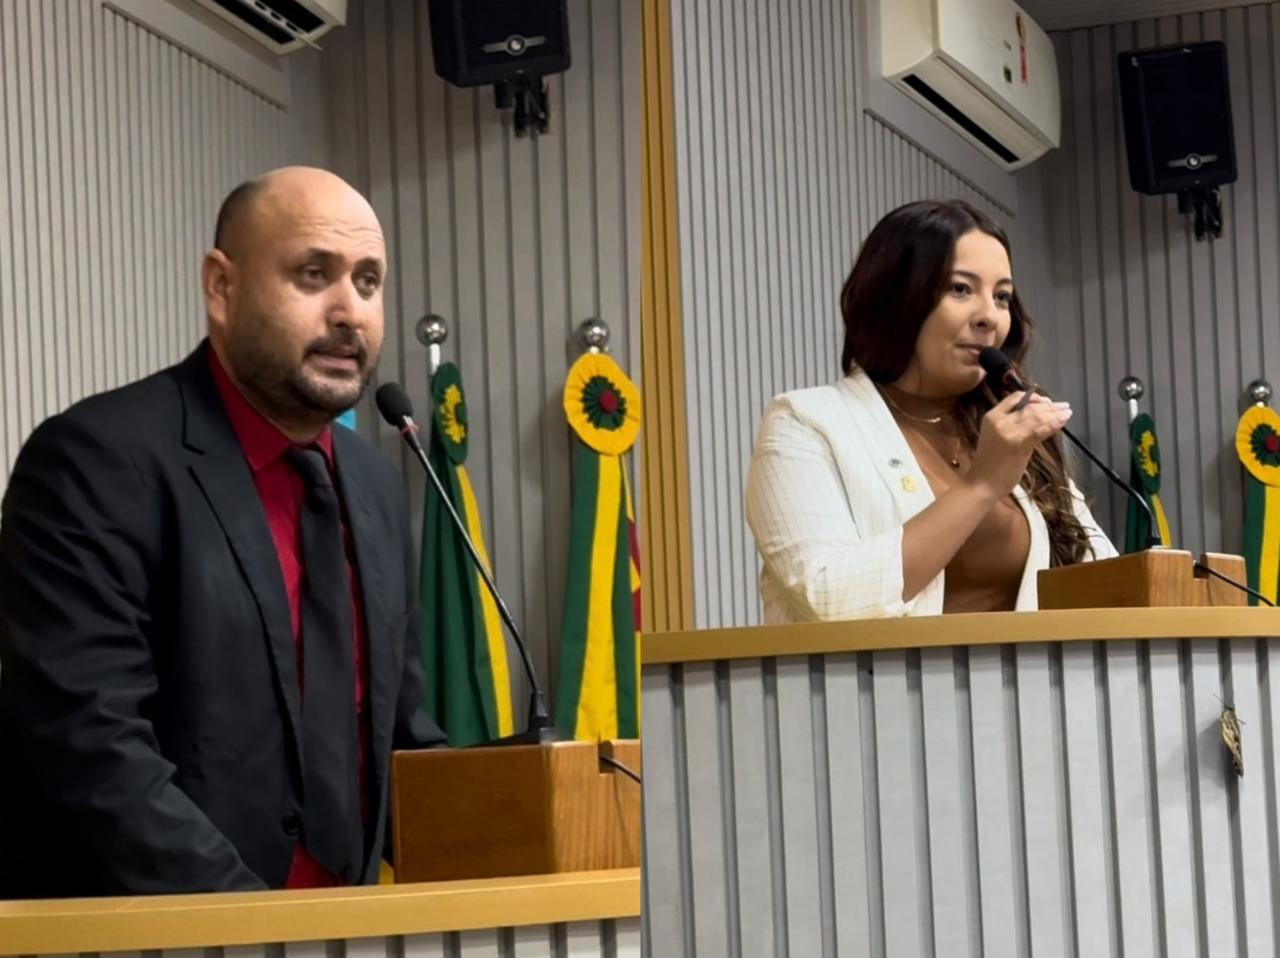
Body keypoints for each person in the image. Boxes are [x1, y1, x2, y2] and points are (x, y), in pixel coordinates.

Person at [0, 167, 445, 898]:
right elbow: (92, 745)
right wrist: (259, 936)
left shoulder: (373, 483)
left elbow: (397, 731)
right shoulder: (96, 461)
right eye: (313, 274)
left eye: (369, 282)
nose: (349, 313)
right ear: (221, 287)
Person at [745, 199, 1117, 624]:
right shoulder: (805, 421)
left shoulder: (1009, 428)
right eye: (961, 289)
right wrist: (980, 486)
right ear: (898, 297)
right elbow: (828, 598)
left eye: (1001, 297)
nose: (988, 317)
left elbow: (1103, 578)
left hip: (1028, 689)